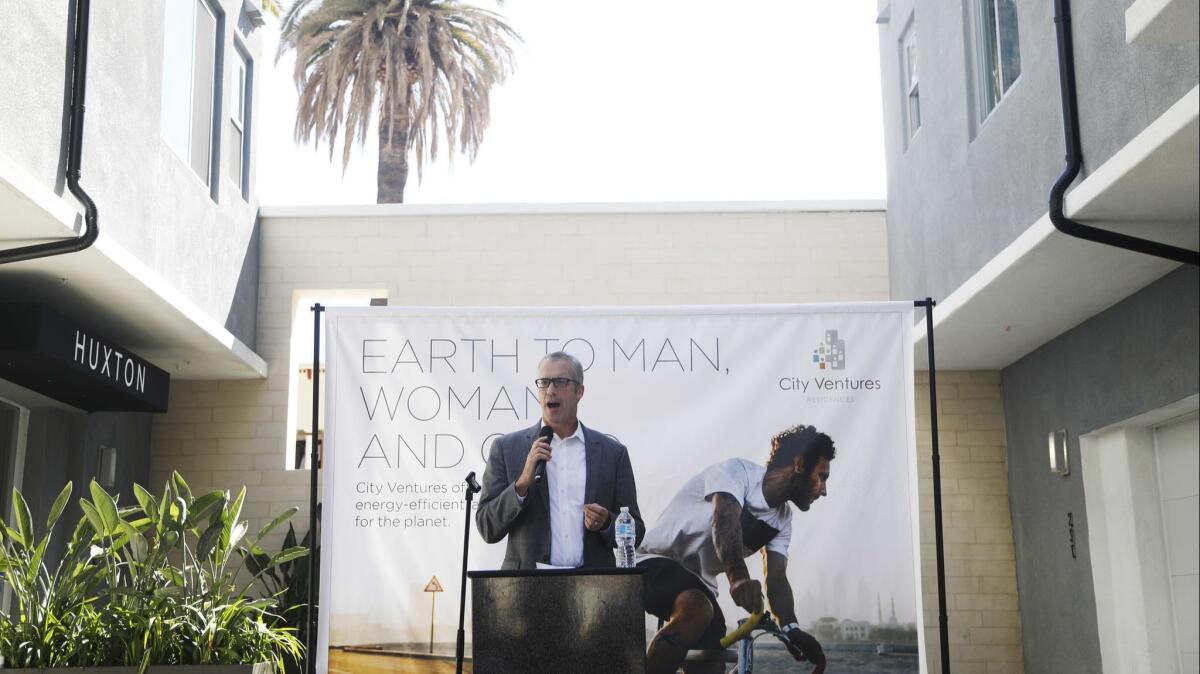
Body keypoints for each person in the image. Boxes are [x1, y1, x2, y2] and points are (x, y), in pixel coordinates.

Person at [637, 425, 835, 674]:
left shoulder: (783, 519)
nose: (824, 489)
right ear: (799, 464)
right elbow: (724, 522)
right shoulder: (737, 472)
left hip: (699, 585)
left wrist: (791, 628)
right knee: (699, 609)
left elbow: (776, 579)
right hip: (653, 562)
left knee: (710, 661)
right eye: (822, 476)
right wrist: (738, 578)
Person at [475, 351, 645, 569]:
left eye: (560, 382)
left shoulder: (612, 453)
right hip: (526, 589)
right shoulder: (507, 449)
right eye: (544, 382)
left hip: (595, 590)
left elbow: (636, 531)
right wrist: (521, 485)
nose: (551, 390)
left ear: (579, 391)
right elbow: (486, 527)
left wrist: (607, 524)